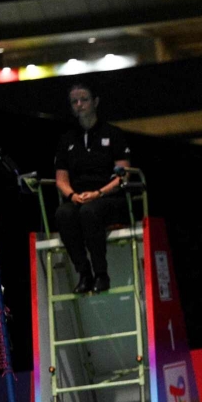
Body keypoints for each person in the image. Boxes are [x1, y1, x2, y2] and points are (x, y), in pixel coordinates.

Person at [54, 83, 132, 294]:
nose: (79, 105)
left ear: (95, 102)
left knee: (90, 212)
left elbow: (123, 175)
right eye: (74, 102)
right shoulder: (67, 140)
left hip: (109, 197)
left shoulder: (113, 134)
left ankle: (101, 274)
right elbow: (61, 179)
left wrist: (98, 193)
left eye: (84, 100)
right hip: (79, 197)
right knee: (63, 213)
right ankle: (84, 273)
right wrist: (72, 195)